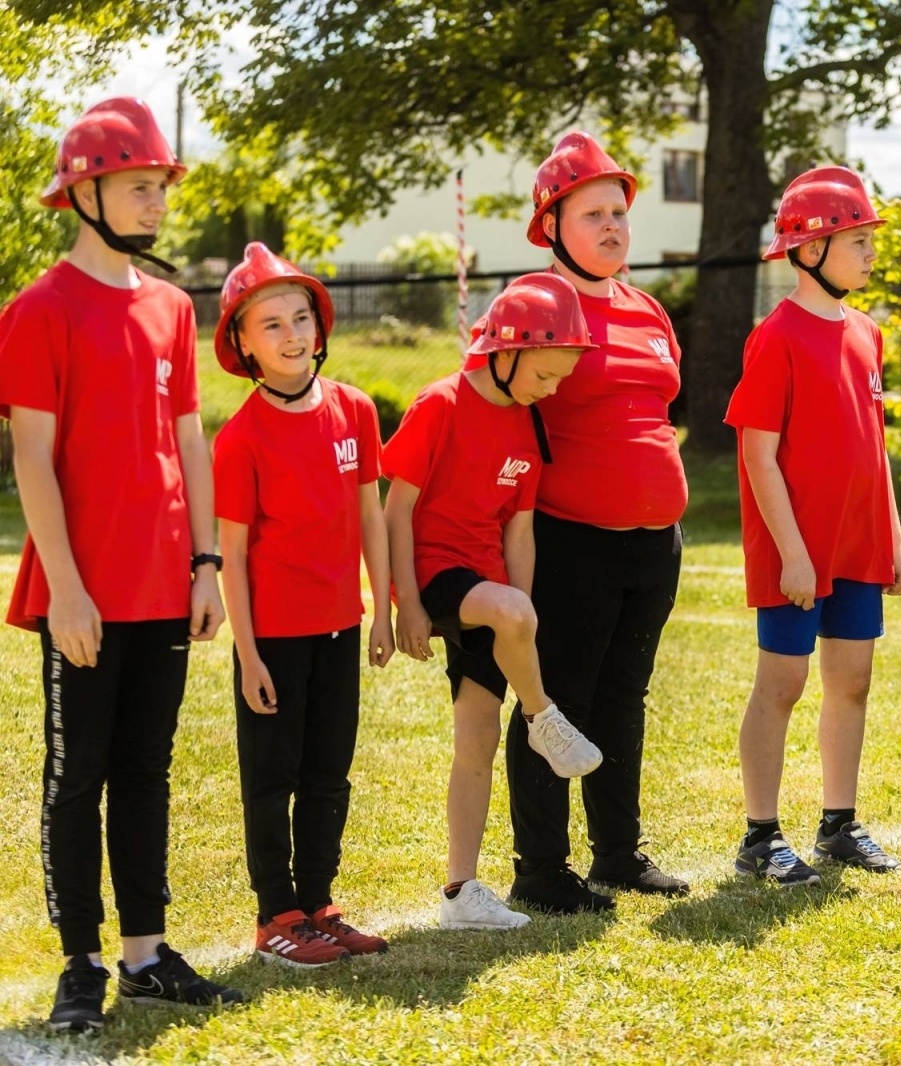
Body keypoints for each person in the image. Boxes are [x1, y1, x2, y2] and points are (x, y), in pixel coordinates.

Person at [0, 97, 245, 1033]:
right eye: (140, 185)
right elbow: (33, 458)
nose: (156, 202)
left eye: (160, 187)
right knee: (80, 773)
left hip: (164, 578)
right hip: (84, 590)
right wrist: (66, 587)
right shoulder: (38, 310)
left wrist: (208, 562)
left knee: (147, 769)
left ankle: (145, 955)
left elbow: (188, 441)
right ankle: (82, 963)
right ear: (86, 190)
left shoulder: (174, 307)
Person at [504, 132, 692, 912]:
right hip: (571, 540)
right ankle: (541, 869)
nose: (614, 226)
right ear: (552, 224)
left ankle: (617, 853)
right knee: (558, 702)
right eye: (594, 213)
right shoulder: (536, 306)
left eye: (619, 212)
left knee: (624, 698)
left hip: (656, 544)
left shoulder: (647, 309)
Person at [384, 274, 603, 929]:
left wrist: (521, 623)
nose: (552, 389)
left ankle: (461, 893)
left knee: (475, 742)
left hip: (491, 592)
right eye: (545, 375)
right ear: (504, 352)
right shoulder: (439, 405)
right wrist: (405, 605)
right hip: (436, 577)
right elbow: (396, 512)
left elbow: (520, 529)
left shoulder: (528, 425)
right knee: (512, 614)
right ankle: (545, 722)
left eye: (562, 378)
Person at [724, 165, 901, 885]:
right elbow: (758, 454)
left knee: (852, 680)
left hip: (859, 544)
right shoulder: (776, 337)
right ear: (808, 251)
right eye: (855, 240)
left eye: (868, 239)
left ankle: (839, 823)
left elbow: (874, 444)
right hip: (796, 553)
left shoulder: (868, 333)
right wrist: (793, 554)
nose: (869, 253)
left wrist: (890, 535)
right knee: (783, 683)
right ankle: (760, 833)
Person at [212, 242, 394, 967]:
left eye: (300, 320)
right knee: (272, 777)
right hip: (273, 640)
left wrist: (382, 608)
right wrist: (249, 653)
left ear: (320, 328)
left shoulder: (354, 410)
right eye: (272, 326)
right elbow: (231, 554)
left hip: (338, 629)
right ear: (245, 346)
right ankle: (276, 917)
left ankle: (318, 903)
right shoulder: (241, 439)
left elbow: (371, 517)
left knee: (328, 770)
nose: (292, 337)